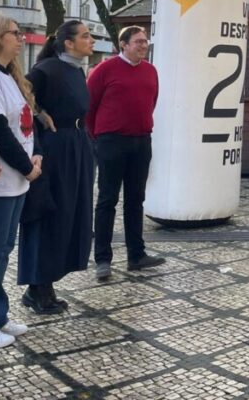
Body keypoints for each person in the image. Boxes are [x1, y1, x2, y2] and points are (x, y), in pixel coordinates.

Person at [20, 20, 96, 315]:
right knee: (51, 214)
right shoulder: (46, 70)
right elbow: (21, 95)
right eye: (86, 36)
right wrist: (39, 113)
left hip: (76, 146)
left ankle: (46, 285)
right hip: (55, 150)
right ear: (68, 42)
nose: (91, 41)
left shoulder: (76, 70)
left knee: (69, 215)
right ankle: (37, 286)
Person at [0, 15, 41, 350]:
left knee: (4, 250)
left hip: (19, 180)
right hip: (2, 180)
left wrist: (38, 156)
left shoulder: (11, 76)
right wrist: (24, 165)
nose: (21, 39)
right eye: (15, 34)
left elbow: (29, 122)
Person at [87, 25, 164, 281]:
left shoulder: (151, 71)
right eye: (138, 41)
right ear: (124, 44)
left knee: (136, 199)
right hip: (111, 141)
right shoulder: (105, 70)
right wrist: (97, 136)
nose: (144, 45)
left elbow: (151, 103)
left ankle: (136, 255)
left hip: (141, 141)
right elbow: (90, 105)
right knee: (107, 200)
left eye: (145, 41)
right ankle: (102, 259)